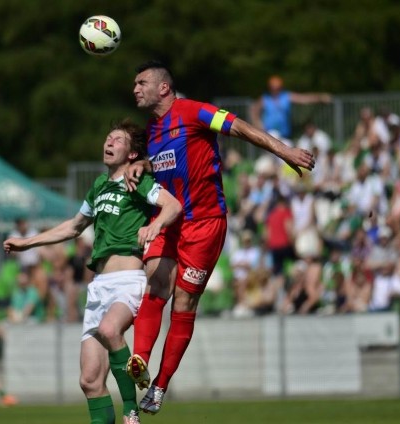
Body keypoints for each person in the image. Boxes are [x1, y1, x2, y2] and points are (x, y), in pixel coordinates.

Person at [125, 60, 315, 415]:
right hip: (171, 221)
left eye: (142, 82)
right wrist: (143, 165)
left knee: (183, 304)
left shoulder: (194, 111)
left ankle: (160, 387)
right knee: (154, 287)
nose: (135, 88)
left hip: (205, 225)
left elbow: (239, 127)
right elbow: (167, 161)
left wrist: (284, 151)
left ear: (164, 87)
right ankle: (141, 360)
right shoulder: (153, 129)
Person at [4, 119, 182, 424]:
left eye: (117, 139)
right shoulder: (99, 185)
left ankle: (130, 410)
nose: (108, 142)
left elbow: (173, 206)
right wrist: (28, 242)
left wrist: (154, 226)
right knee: (89, 381)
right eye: (107, 138)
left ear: (131, 153)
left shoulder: (136, 179)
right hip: (99, 286)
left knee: (111, 330)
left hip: (129, 280)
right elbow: (74, 226)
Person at [250, 75, 332, 139]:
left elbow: (303, 99)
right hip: (269, 135)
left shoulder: (286, 96)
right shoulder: (265, 99)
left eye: (278, 88)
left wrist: (319, 97)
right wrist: (258, 124)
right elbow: (254, 110)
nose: (275, 90)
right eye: (273, 88)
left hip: (284, 135)